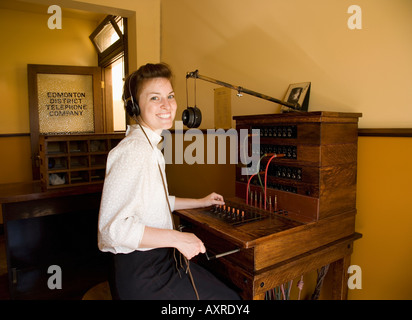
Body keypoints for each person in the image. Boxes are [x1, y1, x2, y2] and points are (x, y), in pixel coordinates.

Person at [98, 63, 240, 300]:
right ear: (135, 105)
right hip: (145, 273)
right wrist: (177, 238)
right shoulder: (133, 151)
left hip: (160, 261)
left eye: (170, 96)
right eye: (155, 98)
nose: (166, 106)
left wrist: (200, 201)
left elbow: (154, 201)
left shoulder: (150, 145)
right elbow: (112, 231)